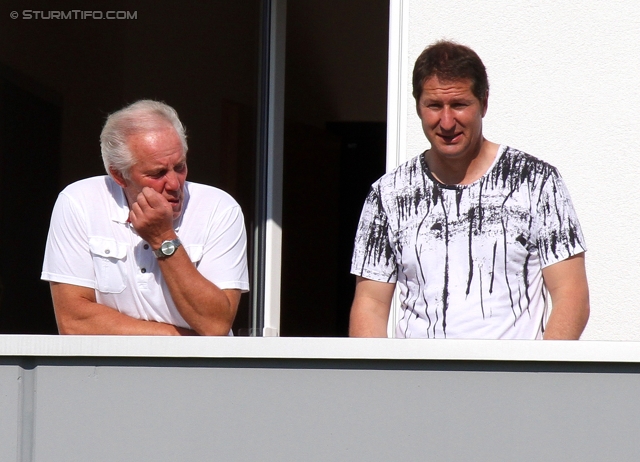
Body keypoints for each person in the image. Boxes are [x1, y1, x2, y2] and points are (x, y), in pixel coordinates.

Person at [349, 41, 589, 339]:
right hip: (417, 382)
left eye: (459, 105)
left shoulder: (536, 181)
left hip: (513, 381)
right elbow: (370, 304)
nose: (446, 122)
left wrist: (539, 379)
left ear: (483, 103)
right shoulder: (387, 195)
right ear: (418, 107)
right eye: (434, 106)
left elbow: (571, 293)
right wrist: (379, 382)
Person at [42, 100, 249, 335]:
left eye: (180, 167)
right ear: (119, 175)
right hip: (108, 371)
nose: (174, 184)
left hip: (199, 371)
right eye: (157, 173)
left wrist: (163, 239)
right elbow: (73, 321)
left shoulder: (219, 208)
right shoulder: (79, 201)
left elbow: (215, 325)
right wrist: (172, 337)